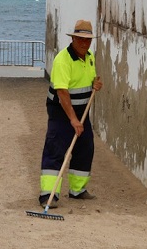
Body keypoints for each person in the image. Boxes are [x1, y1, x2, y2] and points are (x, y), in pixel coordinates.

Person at [39, 19, 103, 208]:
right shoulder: (62, 60)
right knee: (56, 149)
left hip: (82, 110)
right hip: (61, 111)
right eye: (80, 39)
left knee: (85, 148)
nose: (84, 43)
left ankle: (78, 190)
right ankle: (48, 195)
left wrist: (95, 85)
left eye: (88, 40)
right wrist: (73, 120)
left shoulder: (90, 57)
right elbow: (62, 93)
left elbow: (89, 80)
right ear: (73, 39)